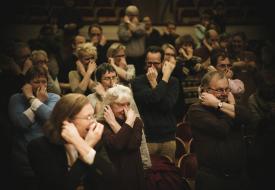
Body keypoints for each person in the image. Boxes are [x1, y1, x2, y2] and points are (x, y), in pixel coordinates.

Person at [27, 93, 118, 190]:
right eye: (88, 117)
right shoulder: (39, 146)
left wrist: (84, 146)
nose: (94, 122)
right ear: (67, 121)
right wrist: (85, 145)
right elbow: (62, 186)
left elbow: (112, 176)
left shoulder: (94, 140)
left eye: (93, 116)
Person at [187, 71, 251, 190]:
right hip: (213, 180)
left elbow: (247, 117)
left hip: (238, 178)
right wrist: (225, 106)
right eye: (219, 90)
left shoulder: (228, 106)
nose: (224, 94)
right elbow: (222, 129)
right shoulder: (196, 110)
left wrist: (219, 104)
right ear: (206, 91)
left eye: (227, 89)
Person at [9, 65, 60, 190]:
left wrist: (33, 99)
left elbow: (50, 118)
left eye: (44, 81)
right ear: (27, 84)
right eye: (36, 82)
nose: (41, 85)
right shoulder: (16, 99)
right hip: (24, 159)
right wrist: (36, 101)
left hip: (49, 158)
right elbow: (21, 123)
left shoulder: (54, 98)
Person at [132, 46, 179, 161]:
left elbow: (166, 106)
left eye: (156, 63)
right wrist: (163, 78)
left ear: (163, 63)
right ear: (145, 63)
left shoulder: (173, 82)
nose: (152, 66)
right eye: (149, 63)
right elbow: (154, 98)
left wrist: (156, 83)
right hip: (148, 138)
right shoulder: (137, 82)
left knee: (169, 174)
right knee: (148, 174)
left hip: (168, 138)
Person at [99, 84, 146, 190]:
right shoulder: (101, 125)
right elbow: (117, 145)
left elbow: (133, 145)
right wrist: (127, 124)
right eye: (120, 105)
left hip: (135, 175)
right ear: (108, 106)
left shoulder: (136, 121)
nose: (125, 110)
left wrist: (115, 124)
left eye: (128, 104)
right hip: (115, 177)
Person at [117, 5, 146, 76]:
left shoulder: (142, 25)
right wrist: (130, 25)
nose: (133, 17)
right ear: (126, 16)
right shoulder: (122, 26)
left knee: (140, 77)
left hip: (141, 58)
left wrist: (130, 24)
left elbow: (139, 32)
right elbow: (124, 37)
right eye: (130, 15)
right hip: (128, 58)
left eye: (135, 15)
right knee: (129, 77)